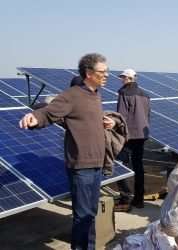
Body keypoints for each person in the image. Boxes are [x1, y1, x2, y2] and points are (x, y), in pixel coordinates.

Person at [19, 53, 114, 250]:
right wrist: (34, 118)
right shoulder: (72, 95)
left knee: (91, 213)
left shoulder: (95, 94)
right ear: (89, 73)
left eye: (107, 71)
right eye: (102, 72)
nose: (107, 75)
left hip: (96, 164)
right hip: (82, 166)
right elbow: (49, 111)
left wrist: (107, 123)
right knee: (83, 215)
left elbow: (85, 120)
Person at [114, 68, 150, 211]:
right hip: (141, 135)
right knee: (138, 166)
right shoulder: (145, 95)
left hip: (128, 135)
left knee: (119, 164)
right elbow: (148, 115)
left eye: (123, 77)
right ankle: (138, 199)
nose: (122, 79)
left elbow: (121, 115)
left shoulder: (124, 92)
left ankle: (125, 198)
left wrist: (117, 132)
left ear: (129, 78)